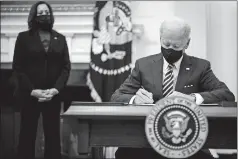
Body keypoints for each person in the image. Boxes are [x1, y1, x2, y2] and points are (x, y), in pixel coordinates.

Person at [111, 17, 235, 159]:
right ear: (160, 38)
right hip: (147, 139)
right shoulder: (143, 65)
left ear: (187, 43)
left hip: (186, 140)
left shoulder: (201, 67)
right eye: (166, 44)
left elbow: (226, 95)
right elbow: (117, 95)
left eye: (176, 46)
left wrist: (193, 98)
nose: (170, 50)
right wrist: (134, 99)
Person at [13, 1, 71, 159]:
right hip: (30, 95)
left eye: (47, 12)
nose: (44, 15)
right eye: (40, 12)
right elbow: (18, 68)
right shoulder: (23, 38)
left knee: (53, 137)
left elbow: (66, 67)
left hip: (52, 95)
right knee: (27, 136)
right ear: (34, 15)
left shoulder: (60, 38)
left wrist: (55, 89)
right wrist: (32, 91)